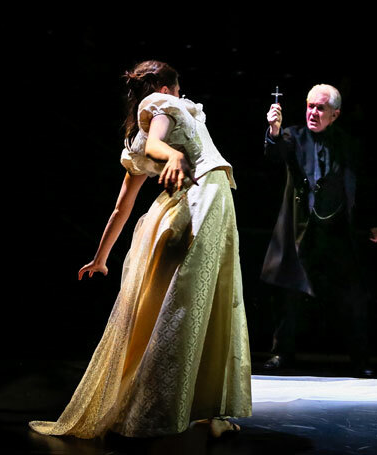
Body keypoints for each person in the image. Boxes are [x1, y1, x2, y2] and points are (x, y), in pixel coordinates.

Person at [29, 60, 252, 439]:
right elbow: (156, 143)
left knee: (200, 303)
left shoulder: (141, 135)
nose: (181, 97)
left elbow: (122, 207)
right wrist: (175, 155)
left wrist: (101, 258)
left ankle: (199, 407)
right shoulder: (163, 106)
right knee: (193, 306)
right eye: (178, 90)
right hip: (202, 201)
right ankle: (162, 411)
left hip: (192, 206)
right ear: (167, 88)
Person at [261, 84, 377, 376]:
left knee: (351, 297)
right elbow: (274, 154)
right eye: (310, 106)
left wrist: (372, 222)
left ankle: (360, 360)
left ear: (335, 114)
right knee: (289, 293)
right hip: (300, 232)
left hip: (337, 233)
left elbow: (361, 186)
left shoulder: (347, 143)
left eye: (320, 108)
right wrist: (274, 131)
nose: (313, 113)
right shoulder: (293, 135)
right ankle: (281, 354)